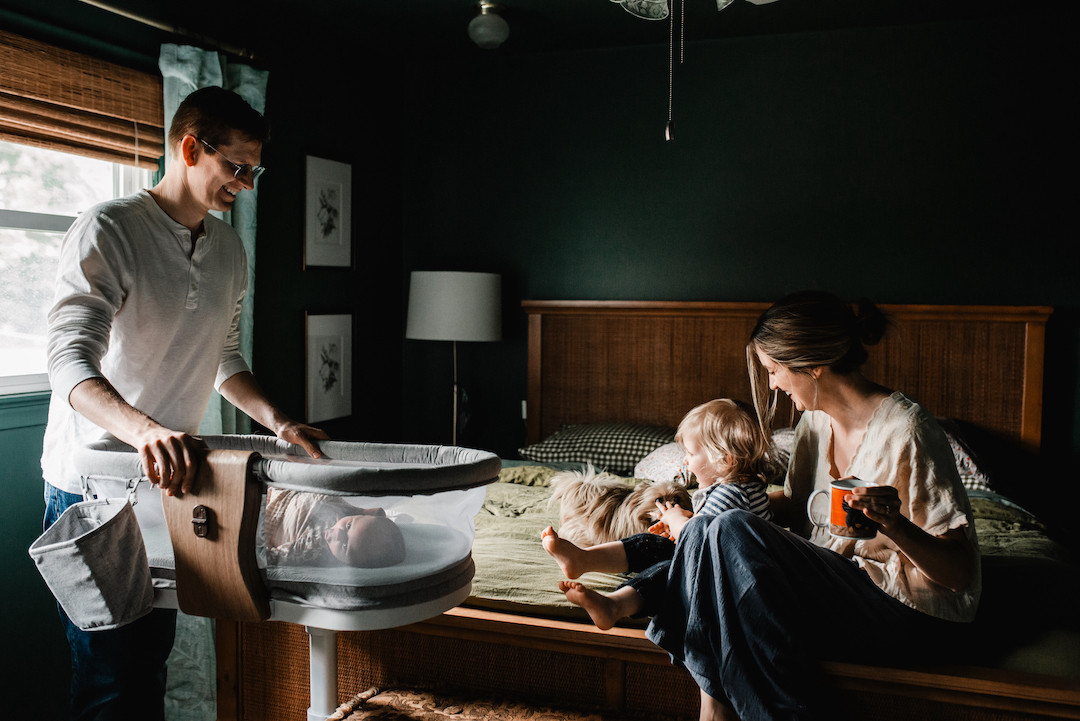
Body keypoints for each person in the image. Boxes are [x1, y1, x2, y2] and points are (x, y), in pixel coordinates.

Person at [41, 86, 328, 721]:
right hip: (94, 487)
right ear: (191, 148)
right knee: (108, 678)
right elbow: (69, 364)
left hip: (169, 481)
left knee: (151, 663)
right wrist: (146, 431)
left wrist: (278, 421)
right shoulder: (109, 229)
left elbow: (223, 355)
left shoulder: (228, 248)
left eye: (254, 172)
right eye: (237, 167)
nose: (245, 185)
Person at [644, 291, 981, 721]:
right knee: (715, 529)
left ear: (812, 365)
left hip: (907, 610)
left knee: (726, 529)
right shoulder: (814, 423)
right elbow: (797, 506)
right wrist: (721, 505)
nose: (772, 385)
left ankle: (716, 708)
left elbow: (959, 574)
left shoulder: (907, 431)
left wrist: (893, 524)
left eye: (774, 371)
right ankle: (730, 708)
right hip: (834, 586)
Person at [542, 398, 777, 630]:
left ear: (724, 460)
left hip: (728, 579)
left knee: (667, 571)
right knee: (650, 543)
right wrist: (681, 524)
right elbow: (718, 534)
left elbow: (700, 539)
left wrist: (677, 521)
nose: (685, 461)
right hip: (725, 565)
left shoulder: (728, 494)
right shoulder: (747, 489)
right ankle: (582, 559)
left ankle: (615, 605)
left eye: (691, 454)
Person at [264, 488, 406, 568]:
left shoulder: (314, 548)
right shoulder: (346, 512)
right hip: (292, 493)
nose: (338, 534)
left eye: (344, 546)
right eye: (348, 526)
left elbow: (277, 557)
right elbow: (365, 513)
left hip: (274, 514)